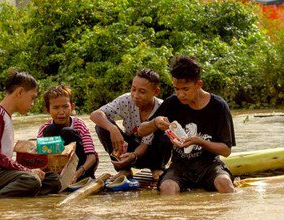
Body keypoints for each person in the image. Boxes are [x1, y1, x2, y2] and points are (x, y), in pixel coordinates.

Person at [137, 55, 236, 194]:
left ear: (198, 84)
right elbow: (141, 131)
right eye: (176, 89)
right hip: (180, 167)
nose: (180, 94)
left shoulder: (218, 106)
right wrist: (155, 122)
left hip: (209, 165)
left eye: (185, 89)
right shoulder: (172, 103)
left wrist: (199, 141)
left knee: (224, 183)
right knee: (167, 188)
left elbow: (226, 150)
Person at [0, 70, 62, 198]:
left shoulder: (4, 115)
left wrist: (27, 170)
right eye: (32, 98)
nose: (32, 103)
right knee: (32, 180)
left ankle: (15, 192)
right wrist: (27, 170)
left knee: (53, 180)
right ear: (20, 92)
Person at [90, 68, 171, 180]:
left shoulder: (162, 107)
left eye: (142, 92)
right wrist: (113, 128)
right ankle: (124, 169)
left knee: (166, 134)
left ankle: (158, 168)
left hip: (153, 152)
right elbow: (95, 114)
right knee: (101, 126)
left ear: (156, 92)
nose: (135, 95)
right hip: (130, 149)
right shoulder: (126, 100)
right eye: (133, 89)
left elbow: (145, 144)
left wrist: (134, 156)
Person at [37, 84, 98, 180]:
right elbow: (40, 157)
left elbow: (91, 156)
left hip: (82, 168)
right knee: (50, 130)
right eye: (56, 108)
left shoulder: (79, 125)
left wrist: (78, 172)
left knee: (67, 132)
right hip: (57, 168)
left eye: (65, 106)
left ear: (72, 107)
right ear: (48, 110)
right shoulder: (44, 128)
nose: (61, 112)